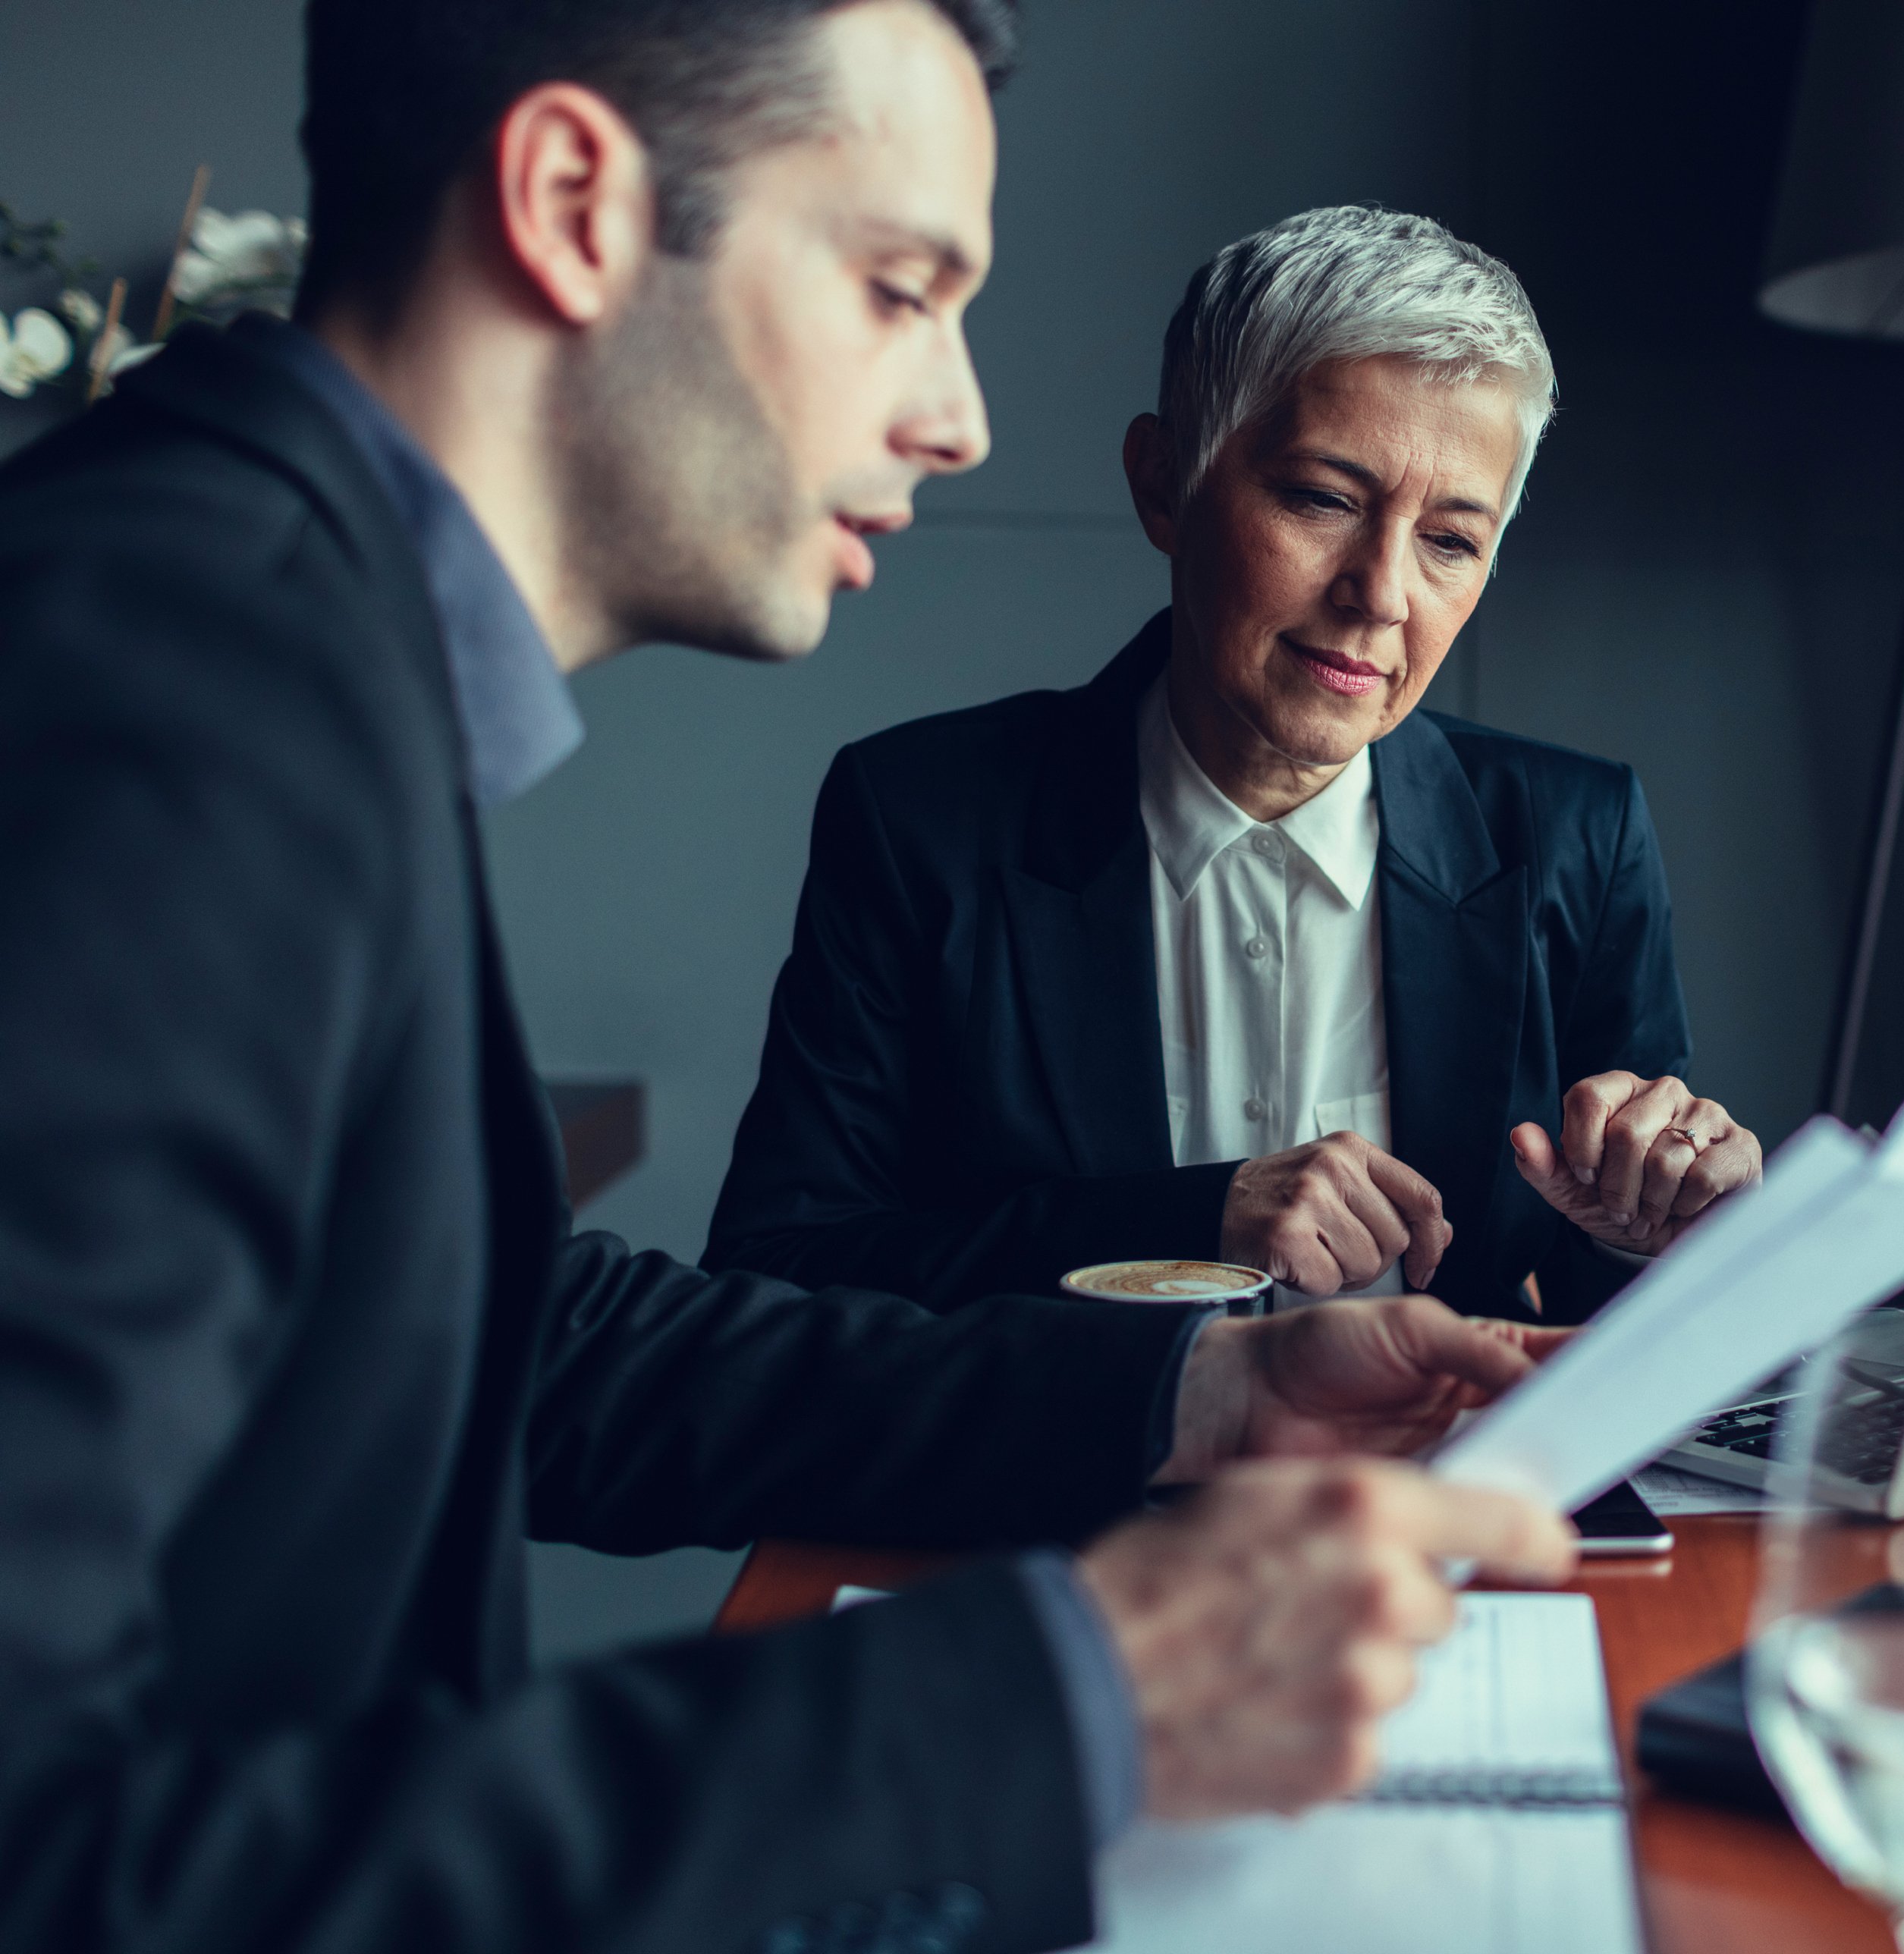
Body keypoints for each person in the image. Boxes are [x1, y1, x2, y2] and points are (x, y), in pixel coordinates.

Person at [0, 6, 1576, 1952]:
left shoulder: (262, 633)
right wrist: (1064, 1697)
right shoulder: (171, 704)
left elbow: (529, 1353)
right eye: (902, 287)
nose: (963, 416)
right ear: (575, 206)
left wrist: (1197, 1384)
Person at [705, 206, 1765, 1325]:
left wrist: (1668, 1231)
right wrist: (1184, 1223)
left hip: (1454, 1493)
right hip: (1073, 1492)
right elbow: (778, 1274)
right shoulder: (922, 819)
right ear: (1163, 484)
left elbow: (1617, 1308)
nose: (1381, 594)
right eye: (1322, 500)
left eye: (1450, 540)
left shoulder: (1573, 836)